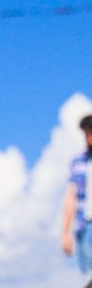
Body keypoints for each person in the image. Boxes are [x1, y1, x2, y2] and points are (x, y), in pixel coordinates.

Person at [60, 114, 92, 272]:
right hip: (84, 227)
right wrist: (65, 233)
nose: (90, 138)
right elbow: (70, 198)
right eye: (87, 133)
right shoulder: (78, 162)